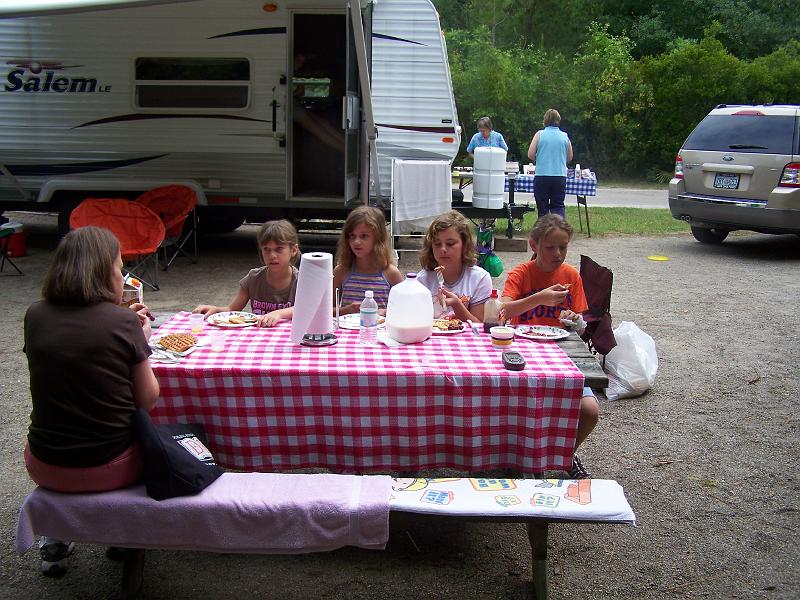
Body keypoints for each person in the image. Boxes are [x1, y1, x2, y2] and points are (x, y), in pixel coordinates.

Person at [23, 226, 160, 575]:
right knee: (152, 437)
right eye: (118, 267)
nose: (122, 275)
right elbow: (147, 399)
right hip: (109, 467)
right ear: (103, 272)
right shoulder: (123, 323)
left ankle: (55, 537)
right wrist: (139, 339)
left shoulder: (35, 316)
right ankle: (121, 535)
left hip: (44, 461)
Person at [500, 214, 598, 479]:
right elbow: (502, 312)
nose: (557, 253)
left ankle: (564, 456)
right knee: (519, 404)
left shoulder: (570, 275)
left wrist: (575, 321)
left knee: (589, 410)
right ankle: (521, 459)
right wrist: (539, 298)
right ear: (534, 246)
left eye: (563, 247)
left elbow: (582, 325)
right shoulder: (521, 273)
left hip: (561, 352)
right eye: (550, 247)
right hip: (523, 352)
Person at [194, 220, 299, 327]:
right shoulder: (253, 278)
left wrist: (279, 313)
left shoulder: (301, 280)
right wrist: (215, 310)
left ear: (293, 250)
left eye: (279, 249)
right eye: (266, 249)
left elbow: (308, 308)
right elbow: (232, 309)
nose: (272, 255)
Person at [416, 210, 492, 322]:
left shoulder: (479, 279)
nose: (443, 249)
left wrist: (458, 306)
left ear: (464, 245)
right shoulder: (422, 280)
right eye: (437, 244)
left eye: (450, 244)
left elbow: (479, 328)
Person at [333, 206, 403, 314]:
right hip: (347, 330)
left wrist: (384, 312)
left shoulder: (391, 273)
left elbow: (404, 309)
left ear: (378, 238)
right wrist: (346, 310)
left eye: (363, 236)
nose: (356, 241)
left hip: (379, 330)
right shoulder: (341, 271)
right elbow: (325, 311)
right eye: (352, 236)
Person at [527, 108, 574, 219]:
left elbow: (530, 154)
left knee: (542, 207)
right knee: (558, 206)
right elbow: (570, 157)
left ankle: (544, 232)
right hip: (559, 176)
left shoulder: (539, 135)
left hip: (542, 175)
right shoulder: (564, 136)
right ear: (558, 120)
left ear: (545, 120)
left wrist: (540, 158)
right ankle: (559, 231)